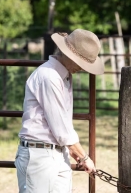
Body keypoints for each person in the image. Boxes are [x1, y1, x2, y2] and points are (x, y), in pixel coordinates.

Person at [14, 29, 104, 193]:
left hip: (54, 152)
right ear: (67, 54)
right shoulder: (49, 77)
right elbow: (61, 128)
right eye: (80, 63)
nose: (82, 68)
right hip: (39, 156)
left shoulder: (61, 76)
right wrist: (83, 157)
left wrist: (71, 149)